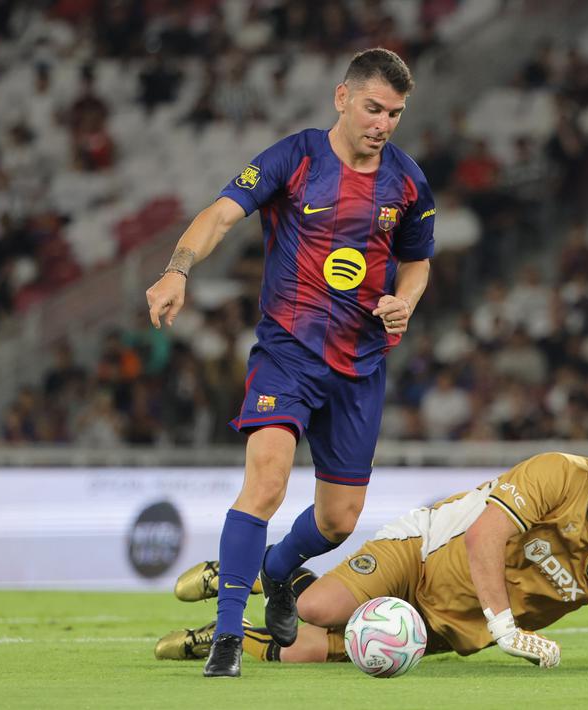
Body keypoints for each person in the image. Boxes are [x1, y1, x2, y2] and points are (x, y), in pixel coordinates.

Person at [144, 48, 435, 677]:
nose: (383, 123)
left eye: (395, 113)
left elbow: (418, 259)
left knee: (339, 520)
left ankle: (277, 572)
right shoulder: (296, 158)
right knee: (268, 482)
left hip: (360, 366)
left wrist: (404, 301)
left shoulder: (407, 181)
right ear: (342, 97)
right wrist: (176, 270)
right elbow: (221, 214)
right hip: (287, 354)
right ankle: (226, 640)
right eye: (373, 107)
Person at [154, 432, 588, 669]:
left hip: (449, 625)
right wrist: (507, 630)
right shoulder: (559, 474)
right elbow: (484, 536)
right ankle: (251, 571)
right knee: (318, 608)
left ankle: (219, 639)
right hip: (424, 551)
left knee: (308, 650)